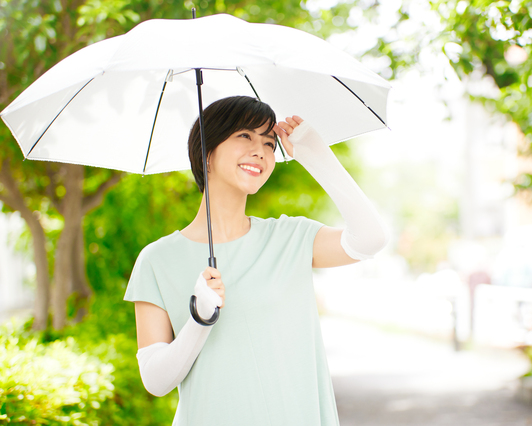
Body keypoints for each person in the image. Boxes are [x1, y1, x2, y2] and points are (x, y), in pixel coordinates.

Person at [124, 96, 388, 426]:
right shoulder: (157, 260)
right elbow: (155, 380)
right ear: (206, 152)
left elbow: (371, 238)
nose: (260, 150)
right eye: (244, 136)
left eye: (268, 142)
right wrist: (199, 321)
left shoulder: (291, 238)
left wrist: (317, 158)